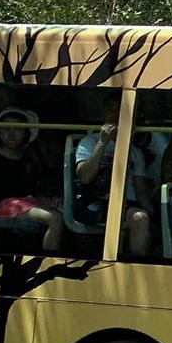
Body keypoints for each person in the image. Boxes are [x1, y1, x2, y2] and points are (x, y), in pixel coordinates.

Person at [71, 95, 156, 256]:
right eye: (110, 108)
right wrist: (103, 142)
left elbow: (140, 190)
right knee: (139, 218)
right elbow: (85, 177)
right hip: (97, 202)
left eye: (120, 109)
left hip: (128, 204)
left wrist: (154, 211)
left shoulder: (135, 151)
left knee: (143, 218)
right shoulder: (89, 142)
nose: (115, 113)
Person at [0, 108, 63, 252]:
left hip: (25, 203)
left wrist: (51, 201)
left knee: (61, 212)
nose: (12, 134)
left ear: (25, 133)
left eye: (18, 130)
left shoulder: (27, 159)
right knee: (55, 219)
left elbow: (32, 192)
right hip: (4, 207)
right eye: (6, 129)